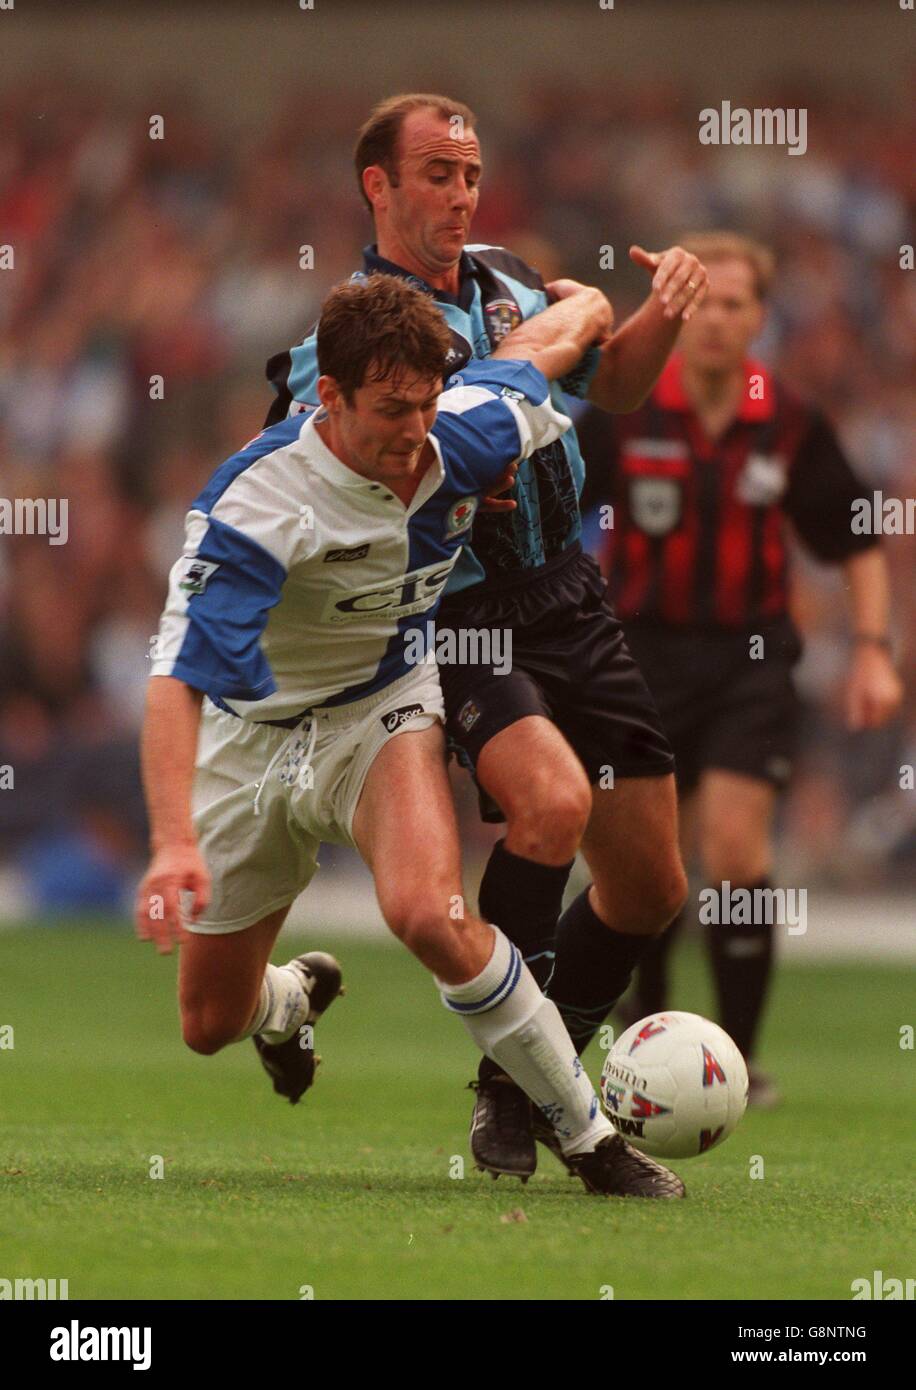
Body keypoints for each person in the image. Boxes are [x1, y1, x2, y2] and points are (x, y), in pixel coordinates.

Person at [136, 271, 686, 1199]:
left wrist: (594, 302)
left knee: (431, 915)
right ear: (330, 397)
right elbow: (174, 683)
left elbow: (545, 352)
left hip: (379, 710)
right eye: (391, 408)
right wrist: (171, 844)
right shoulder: (256, 508)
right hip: (252, 738)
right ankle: (290, 1000)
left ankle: (590, 1138)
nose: (414, 430)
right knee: (207, 1022)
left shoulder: (465, 428)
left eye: (427, 403)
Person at [265, 92, 709, 1181]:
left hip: (567, 594)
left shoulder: (514, 282)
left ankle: (531, 1073)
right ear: (378, 186)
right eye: (435, 175)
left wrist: (663, 312)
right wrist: (425, 473)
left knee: (651, 885)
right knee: (549, 803)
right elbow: (310, 464)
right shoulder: (350, 327)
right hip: (455, 615)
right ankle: (521, 1100)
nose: (460, 195)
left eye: (469, 174)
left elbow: (618, 381)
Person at [576, 232, 904, 1104]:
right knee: (649, 865)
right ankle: (648, 1030)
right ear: (678, 311)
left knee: (733, 848)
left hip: (750, 661)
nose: (716, 319)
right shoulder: (625, 407)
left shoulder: (788, 422)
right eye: (702, 302)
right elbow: (553, 512)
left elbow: (856, 543)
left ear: (759, 317)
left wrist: (873, 653)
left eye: (734, 304)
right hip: (632, 658)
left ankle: (738, 1058)